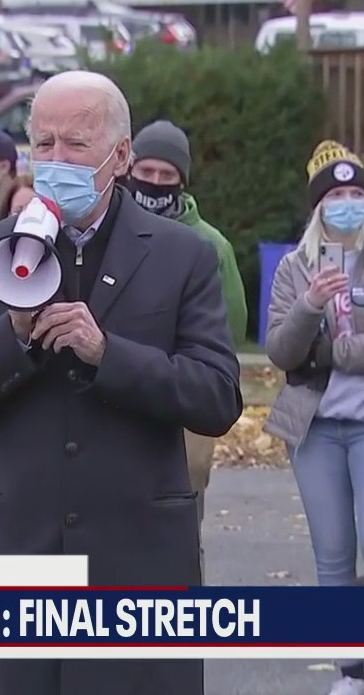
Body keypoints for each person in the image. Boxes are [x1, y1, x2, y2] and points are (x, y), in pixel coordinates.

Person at [0, 70, 242, 695]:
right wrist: (12, 333)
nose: (57, 159)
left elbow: (217, 397)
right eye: (44, 143)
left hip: (137, 555)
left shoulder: (184, 255)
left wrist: (108, 354)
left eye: (76, 143)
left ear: (120, 156)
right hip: (16, 551)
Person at [263, 140, 364, 695]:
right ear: (318, 206)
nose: (348, 204)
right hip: (316, 428)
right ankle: (350, 673)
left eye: (357, 194)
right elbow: (281, 351)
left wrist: (337, 351)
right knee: (333, 553)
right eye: (336, 197)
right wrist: (310, 305)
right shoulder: (295, 267)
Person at [121, 118, 247, 578]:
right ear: (130, 170)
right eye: (146, 172)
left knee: (181, 510)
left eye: (166, 175)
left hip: (184, 389)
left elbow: (233, 325)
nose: (155, 183)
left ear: (182, 180)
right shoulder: (112, 232)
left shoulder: (210, 245)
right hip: (118, 381)